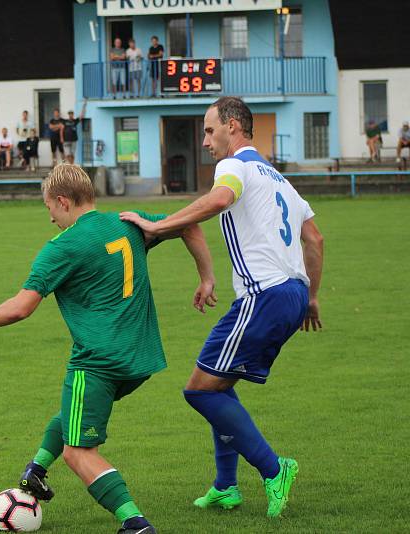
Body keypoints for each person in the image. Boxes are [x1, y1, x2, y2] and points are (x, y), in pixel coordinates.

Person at [0, 164, 214, 534]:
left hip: (98, 362)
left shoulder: (63, 247)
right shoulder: (129, 222)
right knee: (73, 412)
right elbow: (188, 224)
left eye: (49, 209)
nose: (51, 219)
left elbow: (22, 306)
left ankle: (134, 523)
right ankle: (36, 470)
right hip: (139, 359)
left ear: (62, 201)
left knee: (78, 451)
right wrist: (206, 276)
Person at [120, 96, 324, 519]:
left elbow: (219, 200)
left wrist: (157, 225)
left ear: (233, 126)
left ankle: (274, 468)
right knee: (219, 386)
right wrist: (313, 298)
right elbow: (315, 241)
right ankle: (225, 486)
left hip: (263, 295)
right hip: (292, 295)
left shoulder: (235, 166)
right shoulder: (282, 180)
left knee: (198, 389)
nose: (206, 140)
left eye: (210, 130)